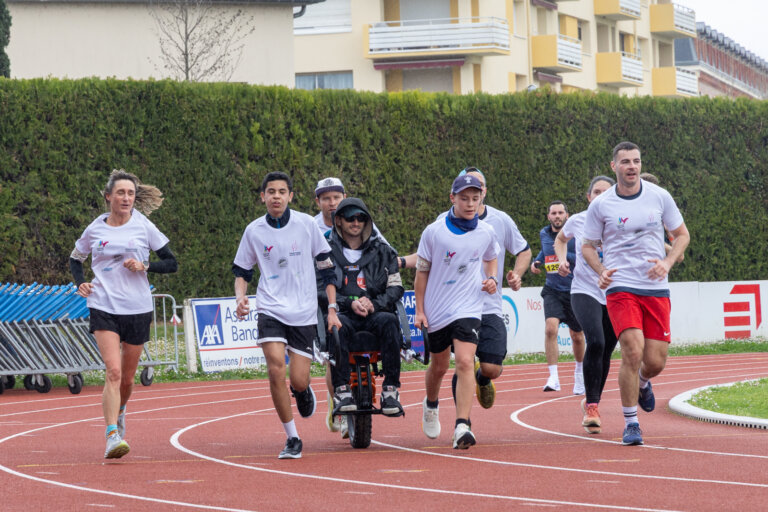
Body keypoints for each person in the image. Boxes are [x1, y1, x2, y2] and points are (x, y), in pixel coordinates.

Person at [582, 141, 689, 446]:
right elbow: (587, 245)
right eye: (625, 161)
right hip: (620, 285)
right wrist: (600, 270)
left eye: (636, 161)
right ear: (614, 166)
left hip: (655, 287)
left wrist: (667, 262)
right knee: (632, 349)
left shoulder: (659, 196)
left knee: (655, 361)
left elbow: (682, 235)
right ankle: (631, 423)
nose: (632, 166)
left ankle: (643, 381)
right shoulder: (601, 205)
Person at [232, 171, 341, 459]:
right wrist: (241, 298)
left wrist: (331, 308)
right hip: (270, 307)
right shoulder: (253, 231)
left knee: (299, 379)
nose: (276, 196)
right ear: (263, 197)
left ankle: (302, 391)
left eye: (282, 191)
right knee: (275, 368)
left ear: (291, 196)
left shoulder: (306, 225)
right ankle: (292, 437)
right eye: (271, 192)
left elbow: (327, 268)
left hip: (304, 311)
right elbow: (242, 271)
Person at [70, 169, 178, 459]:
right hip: (103, 304)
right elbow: (75, 258)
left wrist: (146, 266)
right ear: (108, 197)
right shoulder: (95, 229)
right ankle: (110, 435)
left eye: (130, 193)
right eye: (120, 193)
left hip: (138, 308)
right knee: (113, 371)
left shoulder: (144, 226)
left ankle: (119, 410)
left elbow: (172, 262)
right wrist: (80, 282)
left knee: (128, 379)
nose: (126, 198)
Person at [415, 174, 499, 449]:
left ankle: (462, 424)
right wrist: (419, 309)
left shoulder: (486, 232)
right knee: (439, 366)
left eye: (475, 199)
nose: (470, 204)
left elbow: (491, 257)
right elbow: (422, 274)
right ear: (452, 198)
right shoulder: (434, 231)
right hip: (438, 307)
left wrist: (492, 279)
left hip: (469, 305)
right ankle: (430, 404)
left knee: (465, 361)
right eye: (464, 198)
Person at [448, 168, 531, 410]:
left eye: (479, 187)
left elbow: (524, 250)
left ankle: (483, 379)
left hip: (490, 305)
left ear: (484, 192)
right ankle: (462, 423)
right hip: (458, 307)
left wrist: (517, 274)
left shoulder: (500, 220)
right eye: (467, 190)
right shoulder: (445, 222)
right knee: (463, 362)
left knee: (492, 368)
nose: (474, 194)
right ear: (457, 194)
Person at [318, 198, 405, 416]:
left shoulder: (384, 251)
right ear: (338, 221)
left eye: (361, 218)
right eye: (350, 218)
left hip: (374, 313)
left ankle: (391, 390)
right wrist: (348, 302)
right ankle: (341, 390)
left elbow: (396, 288)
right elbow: (318, 289)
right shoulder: (323, 252)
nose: (356, 222)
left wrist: (374, 304)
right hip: (342, 313)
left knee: (390, 321)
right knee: (338, 327)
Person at [554, 176, 617, 434]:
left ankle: (593, 399)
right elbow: (560, 239)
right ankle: (592, 407)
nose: (601, 196)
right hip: (584, 289)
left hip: (614, 292)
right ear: (589, 197)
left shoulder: (620, 222)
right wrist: (561, 260)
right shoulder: (577, 220)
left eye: (607, 192)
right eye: (597, 192)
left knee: (607, 350)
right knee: (597, 341)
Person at [531, 201, 586, 393]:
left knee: (577, 336)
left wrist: (565, 259)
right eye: (553, 213)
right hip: (552, 289)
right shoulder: (544, 233)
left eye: (560, 212)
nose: (557, 216)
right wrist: (537, 260)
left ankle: (579, 375)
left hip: (574, 289)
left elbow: (580, 254)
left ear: (567, 216)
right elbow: (547, 251)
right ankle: (553, 377)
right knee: (550, 329)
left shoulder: (574, 233)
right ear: (548, 217)